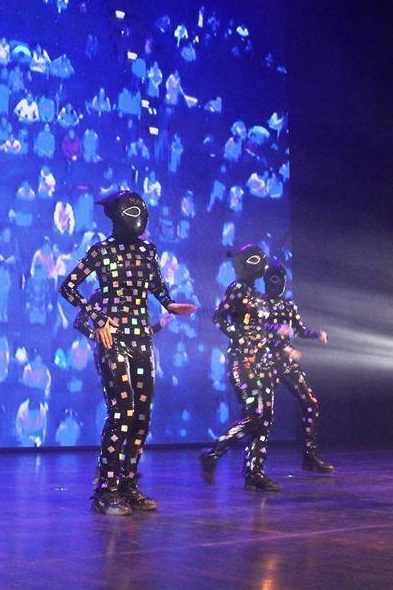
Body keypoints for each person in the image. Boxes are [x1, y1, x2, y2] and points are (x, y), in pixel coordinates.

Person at [60, 190, 196, 515]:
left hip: (141, 339)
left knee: (142, 416)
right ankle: (105, 491)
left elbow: (157, 286)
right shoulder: (101, 251)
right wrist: (97, 319)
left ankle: (128, 485)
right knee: (122, 411)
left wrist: (170, 305)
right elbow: (68, 286)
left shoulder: (148, 251)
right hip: (113, 340)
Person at [198, 244, 284, 492]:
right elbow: (218, 317)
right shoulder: (236, 289)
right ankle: (213, 452)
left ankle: (254, 473)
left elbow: (259, 327)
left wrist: (276, 333)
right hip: (242, 360)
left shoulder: (258, 295)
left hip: (263, 361)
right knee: (255, 414)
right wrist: (239, 336)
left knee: (266, 417)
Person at [262, 258, 334, 474]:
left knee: (310, 403)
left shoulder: (288, 305)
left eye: (279, 279)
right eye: (272, 279)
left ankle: (310, 456)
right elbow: (257, 329)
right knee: (261, 413)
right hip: (266, 364)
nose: (275, 284)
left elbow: (299, 330)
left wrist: (316, 334)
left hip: (288, 365)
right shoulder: (259, 304)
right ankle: (255, 466)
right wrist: (281, 341)